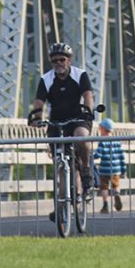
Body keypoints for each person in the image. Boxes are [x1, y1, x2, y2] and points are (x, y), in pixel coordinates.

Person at [28, 42, 96, 204]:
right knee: (60, 161)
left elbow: (88, 96)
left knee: (81, 137)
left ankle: (86, 170)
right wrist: (36, 117)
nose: (58, 63)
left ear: (69, 60)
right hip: (56, 122)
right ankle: (62, 205)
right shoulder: (46, 79)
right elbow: (39, 102)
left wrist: (88, 110)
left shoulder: (80, 75)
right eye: (54, 60)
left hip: (78, 118)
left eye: (62, 59)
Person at [93, 117, 126, 212]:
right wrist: (123, 170)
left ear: (103, 129)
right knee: (116, 185)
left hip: (104, 169)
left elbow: (98, 155)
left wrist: (91, 156)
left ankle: (105, 205)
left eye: (100, 128)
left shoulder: (102, 141)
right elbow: (121, 157)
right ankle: (117, 194)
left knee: (104, 187)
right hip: (116, 169)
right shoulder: (117, 141)